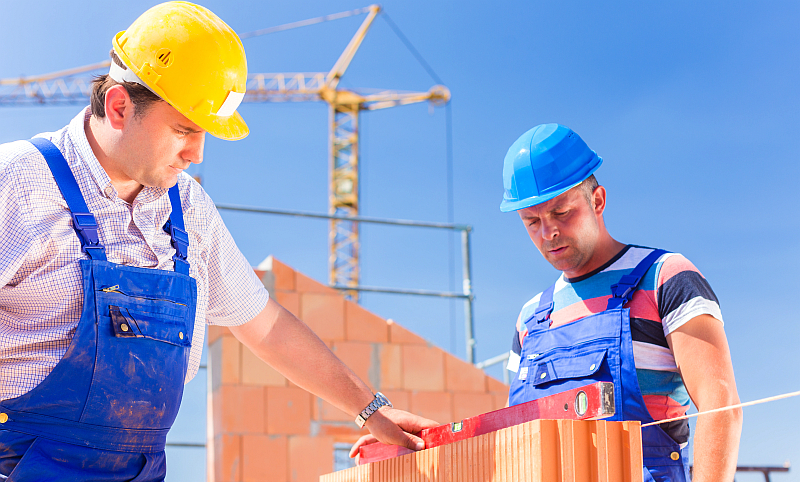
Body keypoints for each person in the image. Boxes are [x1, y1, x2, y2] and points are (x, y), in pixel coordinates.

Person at [0, 3, 435, 480]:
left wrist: (372, 409)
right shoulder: (18, 182)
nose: (197, 152)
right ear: (120, 106)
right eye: (184, 129)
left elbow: (266, 326)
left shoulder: (189, 210)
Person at [501, 124, 742, 482]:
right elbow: (517, 440)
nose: (548, 232)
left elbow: (720, 406)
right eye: (532, 221)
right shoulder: (530, 320)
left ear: (597, 200)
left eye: (562, 212)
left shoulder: (665, 278)